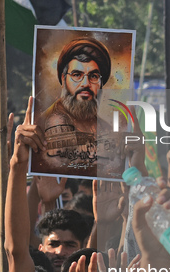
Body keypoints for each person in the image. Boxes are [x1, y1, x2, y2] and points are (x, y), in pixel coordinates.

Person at [37, 37, 112, 176]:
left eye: (93, 76)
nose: (85, 84)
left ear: (101, 84)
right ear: (63, 79)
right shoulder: (40, 127)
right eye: (77, 75)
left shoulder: (109, 131)